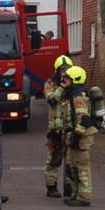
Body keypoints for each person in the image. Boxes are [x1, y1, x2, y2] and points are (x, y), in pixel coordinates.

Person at [62, 65, 100, 207]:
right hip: (75, 137)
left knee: (82, 167)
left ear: (75, 80)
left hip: (82, 138)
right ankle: (76, 194)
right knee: (72, 166)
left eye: (67, 79)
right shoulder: (72, 95)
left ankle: (84, 197)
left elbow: (83, 118)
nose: (64, 81)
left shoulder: (79, 97)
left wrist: (77, 136)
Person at [43, 55, 73, 198]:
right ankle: (51, 187)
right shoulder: (50, 84)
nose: (64, 72)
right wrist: (62, 87)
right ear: (57, 71)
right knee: (55, 158)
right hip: (55, 128)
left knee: (70, 160)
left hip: (69, 127)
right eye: (62, 70)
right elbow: (52, 100)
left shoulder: (73, 84)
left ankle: (69, 188)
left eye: (67, 69)